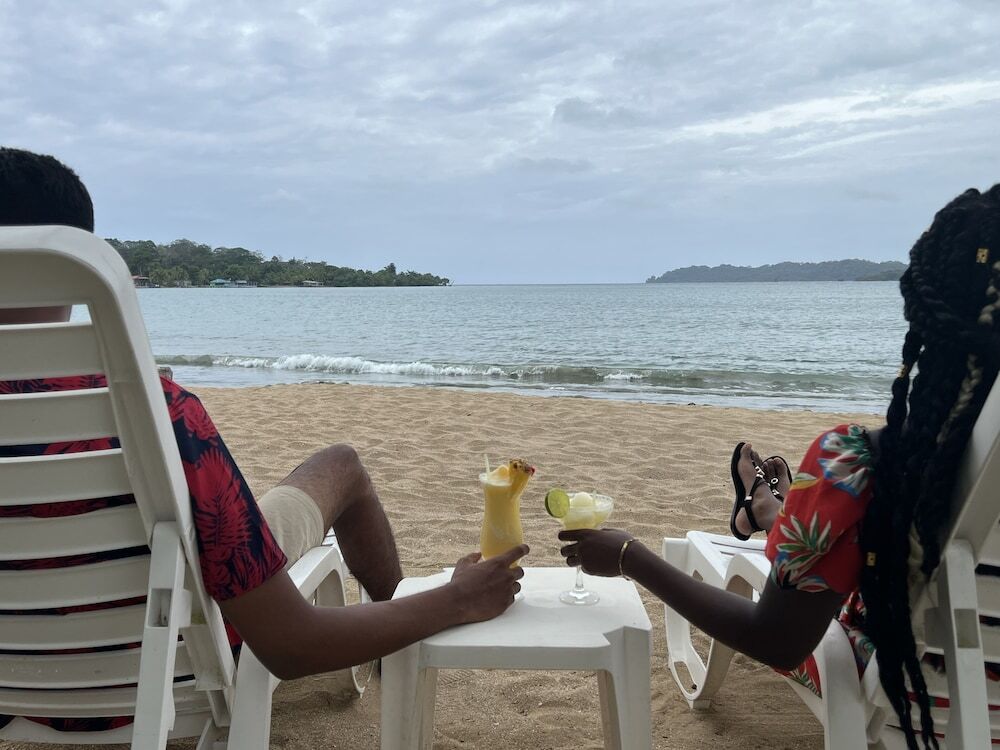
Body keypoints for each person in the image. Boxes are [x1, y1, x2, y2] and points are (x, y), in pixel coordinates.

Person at [0, 147, 527, 733]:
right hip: (162, 675)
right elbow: (290, 644)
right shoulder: (162, 412)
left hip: (19, 687)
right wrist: (456, 598)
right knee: (342, 466)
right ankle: (392, 638)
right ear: (71, 265)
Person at [560, 184, 1000, 750]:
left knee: (837, 510)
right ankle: (776, 510)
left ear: (928, 315)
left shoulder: (860, 462)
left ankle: (770, 511)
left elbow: (777, 640)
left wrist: (629, 556)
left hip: (903, 690)